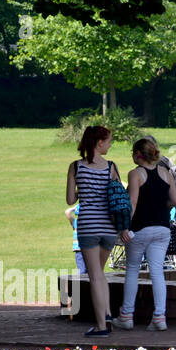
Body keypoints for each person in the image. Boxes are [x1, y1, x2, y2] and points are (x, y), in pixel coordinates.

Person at [115, 138, 176, 331]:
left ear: (137, 155)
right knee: (157, 272)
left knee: (133, 269)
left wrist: (125, 227)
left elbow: (132, 202)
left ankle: (126, 315)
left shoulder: (135, 174)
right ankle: (160, 317)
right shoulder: (166, 172)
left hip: (140, 229)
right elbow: (175, 200)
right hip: (162, 228)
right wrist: (160, 207)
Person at [65, 125, 121, 337]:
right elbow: (119, 196)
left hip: (88, 225)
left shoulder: (76, 167)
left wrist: (83, 190)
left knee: (94, 276)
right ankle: (106, 314)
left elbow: (71, 200)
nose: (109, 144)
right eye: (108, 141)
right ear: (99, 143)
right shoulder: (111, 167)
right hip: (109, 227)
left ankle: (101, 326)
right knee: (100, 273)